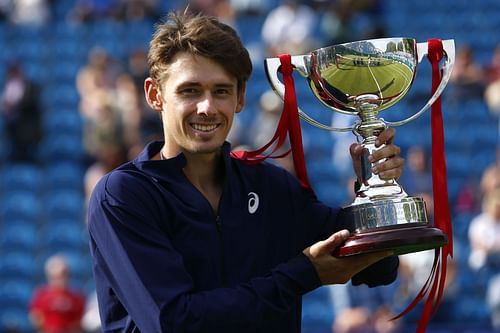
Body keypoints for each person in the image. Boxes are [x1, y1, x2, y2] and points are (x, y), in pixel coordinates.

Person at [87, 12, 404, 332]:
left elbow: (378, 268)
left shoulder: (272, 187)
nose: (207, 107)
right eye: (190, 91)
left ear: (240, 98)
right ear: (155, 95)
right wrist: (304, 273)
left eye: (221, 91)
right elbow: (173, 323)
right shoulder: (123, 195)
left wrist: (373, 184)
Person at [29, 254, 86, 333]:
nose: (60, 280)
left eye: (63, 275)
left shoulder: (76, 297)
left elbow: (79, 321)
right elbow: (36, 319)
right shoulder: (41, 295)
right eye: (55, 277)